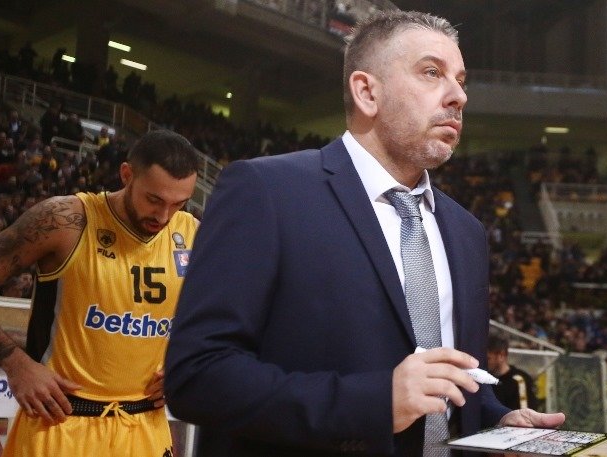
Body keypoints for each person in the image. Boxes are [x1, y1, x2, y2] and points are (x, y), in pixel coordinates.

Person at [165, 9, 565, 457]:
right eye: (432, 73)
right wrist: (373, 404)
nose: (458, 96)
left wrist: (495, 420)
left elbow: (452, 384)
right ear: (367, 92)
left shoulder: (466, 231)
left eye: (460, 80)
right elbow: (198, 375)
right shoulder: (267, 191)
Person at [0, 129, 199, 456]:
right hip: (60, 423)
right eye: (154, 199)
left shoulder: (192, 234)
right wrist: (14, 362)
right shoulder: (65, 221)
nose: (163, 216)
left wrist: (186, 364)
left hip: (145, 426)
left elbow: (216, 317)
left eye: (178, 204)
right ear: (127, 175)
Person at [486, 334, 538, 411]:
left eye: (488, 358)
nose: (485, 362)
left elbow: (525, 413)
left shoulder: (519, 381)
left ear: (501, 355)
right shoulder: (486, 379)